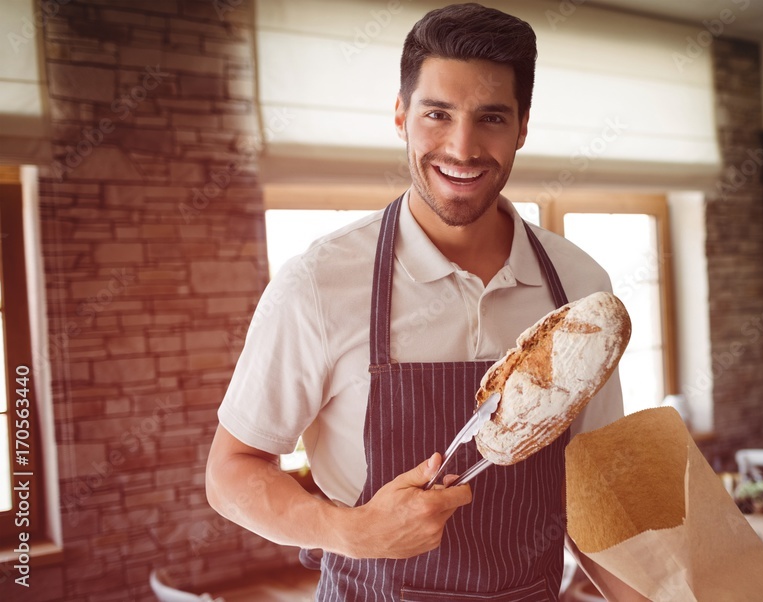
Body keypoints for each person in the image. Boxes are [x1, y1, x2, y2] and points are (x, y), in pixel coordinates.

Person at [206, 4, 641, 600]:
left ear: (522, 127)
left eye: (491, 117)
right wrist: (353, 531)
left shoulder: (580, 287)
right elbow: (230, 472)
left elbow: (595, 494)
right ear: (401, 116)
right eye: (438, 113)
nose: (462, 148)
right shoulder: (318, 283)